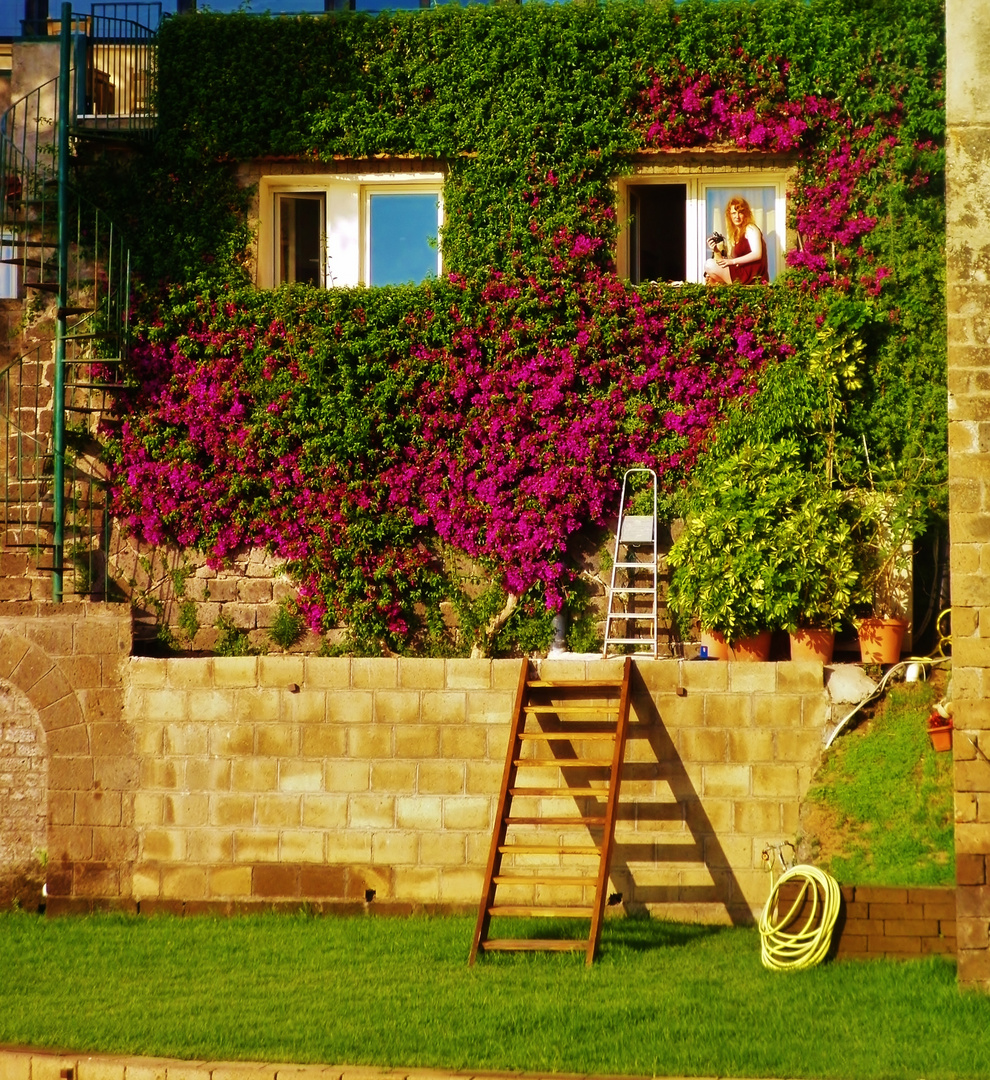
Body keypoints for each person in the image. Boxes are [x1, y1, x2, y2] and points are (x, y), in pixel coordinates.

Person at [704, 196, 769, 285]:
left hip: (752, 275)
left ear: (746, 214)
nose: (737, 216)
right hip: (741, 272)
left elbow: (757, 254)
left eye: (740, 213)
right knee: (710, 268)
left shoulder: (750, 228)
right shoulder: (736, 233)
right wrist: (715, 249)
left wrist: (732, 261)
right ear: (729, 215)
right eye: (733, 213)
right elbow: (727, 262)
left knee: (709, 264)